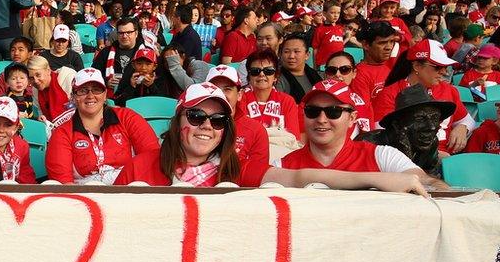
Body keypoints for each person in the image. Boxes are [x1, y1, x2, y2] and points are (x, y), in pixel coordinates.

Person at [115, 81, 430, 194]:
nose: (207, 126)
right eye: (196, 116)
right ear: (178, 121)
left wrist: (376, 180)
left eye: (218, 119)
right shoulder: (138, 167)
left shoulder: (237, 168)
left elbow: (300, 177)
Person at [45, 68, 159, 184]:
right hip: (85, 195)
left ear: (105, 95)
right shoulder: (62, 133)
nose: (90, 96)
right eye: (83, 91)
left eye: (96, 90)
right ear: (73, 97)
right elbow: (63, 184)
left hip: (129, 192)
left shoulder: (127, 118)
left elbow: (152, 160)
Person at [373, 39, 474, 153]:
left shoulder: (449, 90)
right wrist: (433, 156)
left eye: (445, 67)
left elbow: (468, 120)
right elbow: (383, 135)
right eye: (437, 67)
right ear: (416, 66)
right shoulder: (390, 93)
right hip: (410, 159)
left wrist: (462, 127)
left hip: (449, 157)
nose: (444, 72)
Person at [359, 83, 456, 178]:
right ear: (397, 125)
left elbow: (428, 176)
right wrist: (403, 156)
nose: (431, 127)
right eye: (420, 119)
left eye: (435, 119)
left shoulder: (430, 142)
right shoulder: (368, 145)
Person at [238, 48, 302, 138]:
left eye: (268, 71)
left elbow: (293, 138)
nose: (262, 75)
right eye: (255, 71)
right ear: (249, 77)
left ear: (275, 76)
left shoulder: (287, 101)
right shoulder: (239, 99)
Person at [323, 51, 374, 136]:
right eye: (332, 70)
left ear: (354, 73)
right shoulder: (313, 100)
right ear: (325, 75)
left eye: (344, 70)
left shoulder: (364, 105)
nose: (338, 74)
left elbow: (369, 139)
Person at [349, 20, 398, 100]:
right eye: (382, 43)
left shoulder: (390, 68)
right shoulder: (358, 75)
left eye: (392, 41)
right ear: (366, 45)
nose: (389, 47)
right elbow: (363, 110)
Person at [28, 54, 76, 124]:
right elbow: (42, 114)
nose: (35, 81)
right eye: (31, 78)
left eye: (38, 75)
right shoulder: (35, 91)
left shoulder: (68, 78)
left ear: (48, 70)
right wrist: (42, 119)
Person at [277, 34, 323, 102]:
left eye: (296, 52)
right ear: (280, 54)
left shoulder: (315, 75)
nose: (291, 56)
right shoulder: (276, 78)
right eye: (286, 52)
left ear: (307, 55)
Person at [312, 0, 345, 66]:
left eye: (338, 13)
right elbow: (315, 48)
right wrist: (315, 65)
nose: (336, 15)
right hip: (323, 65)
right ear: (324, 13)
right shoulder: (320, 30)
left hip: (338, 64)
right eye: (332, 13)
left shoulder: (340, 28)